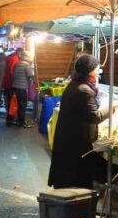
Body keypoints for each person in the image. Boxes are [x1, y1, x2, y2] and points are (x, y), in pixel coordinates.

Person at [48, 54, 113, 189]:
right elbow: (95, 117)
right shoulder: (84, 90)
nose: (98, 71)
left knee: (70, 177)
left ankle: (74, 204)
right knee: (77, 178)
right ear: (89, 70)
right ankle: (77, 206)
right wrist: (111, 107)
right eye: (96, 69)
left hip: (69, 139)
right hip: (75, 141)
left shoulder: (75, 84)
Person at [10, 50, 34, 128]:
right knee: (22, 105)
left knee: (17, 105)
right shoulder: (27, 65)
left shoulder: (17, 64)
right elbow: (30, 75)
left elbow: (13, 73)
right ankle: (21, 122)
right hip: (22, 88)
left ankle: (17, 120)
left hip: (15, 87)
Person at [2, 47, 20, 126]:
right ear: (19, 53)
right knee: (11, 103)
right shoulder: (15, 59)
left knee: (9, 102)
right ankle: (10, 121)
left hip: (7, 83)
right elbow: (12, 72)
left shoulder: (11, 58)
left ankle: (10, 120)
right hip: (10, 84)